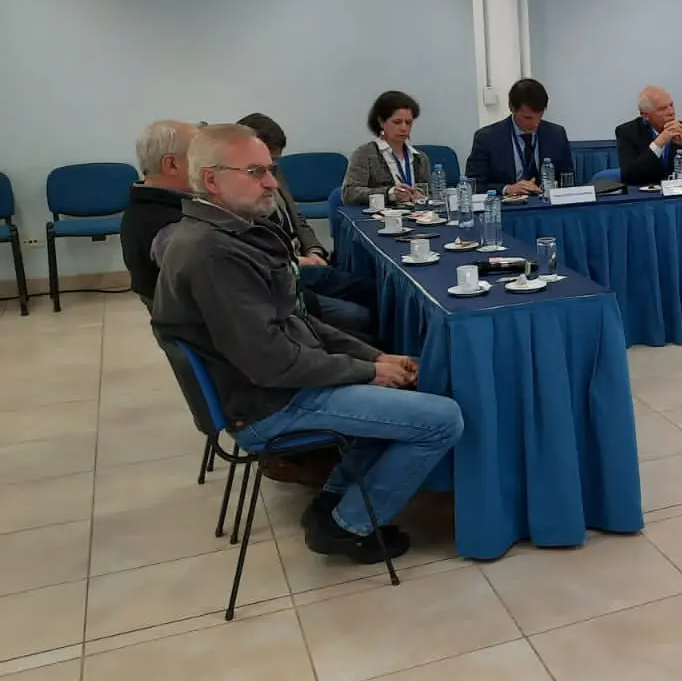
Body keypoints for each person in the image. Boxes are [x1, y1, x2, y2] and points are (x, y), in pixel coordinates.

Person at [152, 124, 462, 563]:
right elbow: (271, 362)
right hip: (269, 403)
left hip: (275, 386)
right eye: (256, 172)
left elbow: (298, 320)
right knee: (443, 419)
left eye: (270, 169)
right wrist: (369, 372)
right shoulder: (214, 254)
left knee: (404, 391)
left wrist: (374, 356)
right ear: (211, 180)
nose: (271, 182)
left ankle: (333, 500)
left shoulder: (229, 235)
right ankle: (348, 525)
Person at [237, 113, 378, 338]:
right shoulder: (238, 198)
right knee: (359, 313)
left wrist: (314, 250)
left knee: (371, 289)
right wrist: (297, 260)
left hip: (302, 262)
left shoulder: (274, 172)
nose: (271, 176)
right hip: (287, 273)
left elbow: (297, 219)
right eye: (264, 166)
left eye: (274, 163)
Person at [121, 120, 199, 306]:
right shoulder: (170, 229)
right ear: (171, 164)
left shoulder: (143, 205)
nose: (209, 165)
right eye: (200, 157)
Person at [464, 78, 574, 193]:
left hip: (545, 200)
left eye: (540, 116)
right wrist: (507, 189)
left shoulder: (556, 134)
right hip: (507, 202)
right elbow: (473, 184)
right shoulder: (487, 138)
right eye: (528, 118)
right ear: (512, 108)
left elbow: (567, 179)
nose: (536, 123)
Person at [341, 91, 431, 205]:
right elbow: (349, 193)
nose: (404, 128)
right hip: (379, 215)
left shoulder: (420, 158)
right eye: (397, 122)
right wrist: (390, 193)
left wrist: (421, 194)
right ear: (381, 122)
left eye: (408, 123)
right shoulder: (365, 154)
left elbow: (430, 192)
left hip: (415, 214)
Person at [615, 86, 682, 186]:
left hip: (681, 192)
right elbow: (629, 177)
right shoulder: (627, 132)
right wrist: (659, 143)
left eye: (671, 105)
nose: (671, 112)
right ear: (646, 116)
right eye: (662, 109)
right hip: (648, 194)